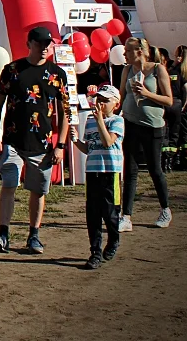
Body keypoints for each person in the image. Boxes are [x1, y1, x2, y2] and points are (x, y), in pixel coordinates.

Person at [0, 26, 70, 255]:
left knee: (38, 190)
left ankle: (34, 235)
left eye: (48, 44)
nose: (44, 48)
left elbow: (65, 112)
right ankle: (3, 233)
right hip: (13, 140)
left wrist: (61, 145)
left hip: (42, 144)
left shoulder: (57, 75)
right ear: (29, 44)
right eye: (39, 43)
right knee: (9, 183)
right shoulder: (13, 70)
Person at [119, 37, 174, 231]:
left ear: (140, 52)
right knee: (130, 170)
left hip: (152, 126)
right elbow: (121, 96)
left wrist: (147, 93)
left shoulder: (158, 69)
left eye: (128, 50)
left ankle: (165, 209)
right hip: (130, 124)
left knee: (154, 169)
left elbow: (169, 100)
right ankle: (126, 216)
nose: (124, 54)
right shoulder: (127, 70)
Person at [70, 85, 125, 269]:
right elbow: (89, 148)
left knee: (110, 212)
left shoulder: (117, 121)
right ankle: (95, 251)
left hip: (110, 172)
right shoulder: (91, 121)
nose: (100, 104)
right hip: (93, 172)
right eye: (98, 100)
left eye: (105, 101)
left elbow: (108, 142)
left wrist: (100, 119)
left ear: (115, 104)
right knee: (93, 213)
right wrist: (76, 140)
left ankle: (113, 239)